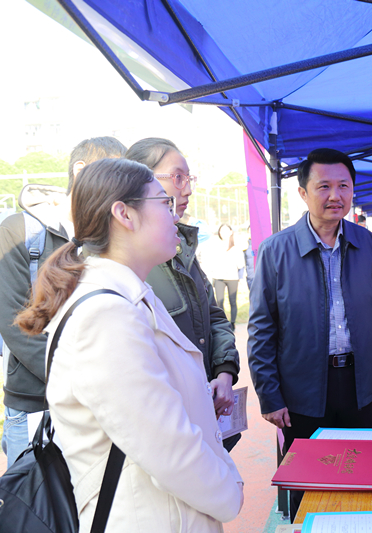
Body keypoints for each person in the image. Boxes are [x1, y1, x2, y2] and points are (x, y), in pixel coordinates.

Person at [14, 158, 243, 532]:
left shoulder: (130, 296)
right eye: (164, 203)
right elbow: (167, 447)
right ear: (124, 214)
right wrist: (229, 491)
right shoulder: (105, 314)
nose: (175, 215)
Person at [248, 147, 372, 520]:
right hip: (302, 389)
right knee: (308, 486)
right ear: (303, 192)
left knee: (360, 478)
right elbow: (261, 331)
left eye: (344, 186)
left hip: (359, 385)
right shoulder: (275, 250)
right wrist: (270, 396)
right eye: (324, 186)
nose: (336, 195)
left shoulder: (367, 243)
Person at [0, 137, 127, 468]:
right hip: (36, 401)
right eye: (113, 172)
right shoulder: (20, 230)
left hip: (98, 404)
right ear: (80, 170)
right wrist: (82, 382)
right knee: (35, 499)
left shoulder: (109, 235)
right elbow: (15, 323)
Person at [126, 138, 241, 450]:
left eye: (189, 178)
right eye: (178, 177)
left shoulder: (183, 251)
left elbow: (214, 316)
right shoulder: (128, 267)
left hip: (207, 419)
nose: (187, 189)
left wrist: (224, 372)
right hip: (170, 434)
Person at [208, 223, 245, 327]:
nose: (223, 233)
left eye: (225, 230)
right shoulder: (215, 246)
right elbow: (211, 263)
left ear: (231, 232)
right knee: (219, 301)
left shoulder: (236, 248)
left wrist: (241, 278)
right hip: (218, 277)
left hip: (232, 277)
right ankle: (222, 323)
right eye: (221, 230)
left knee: (232, 301)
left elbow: (241, 264)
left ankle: (233, 323)